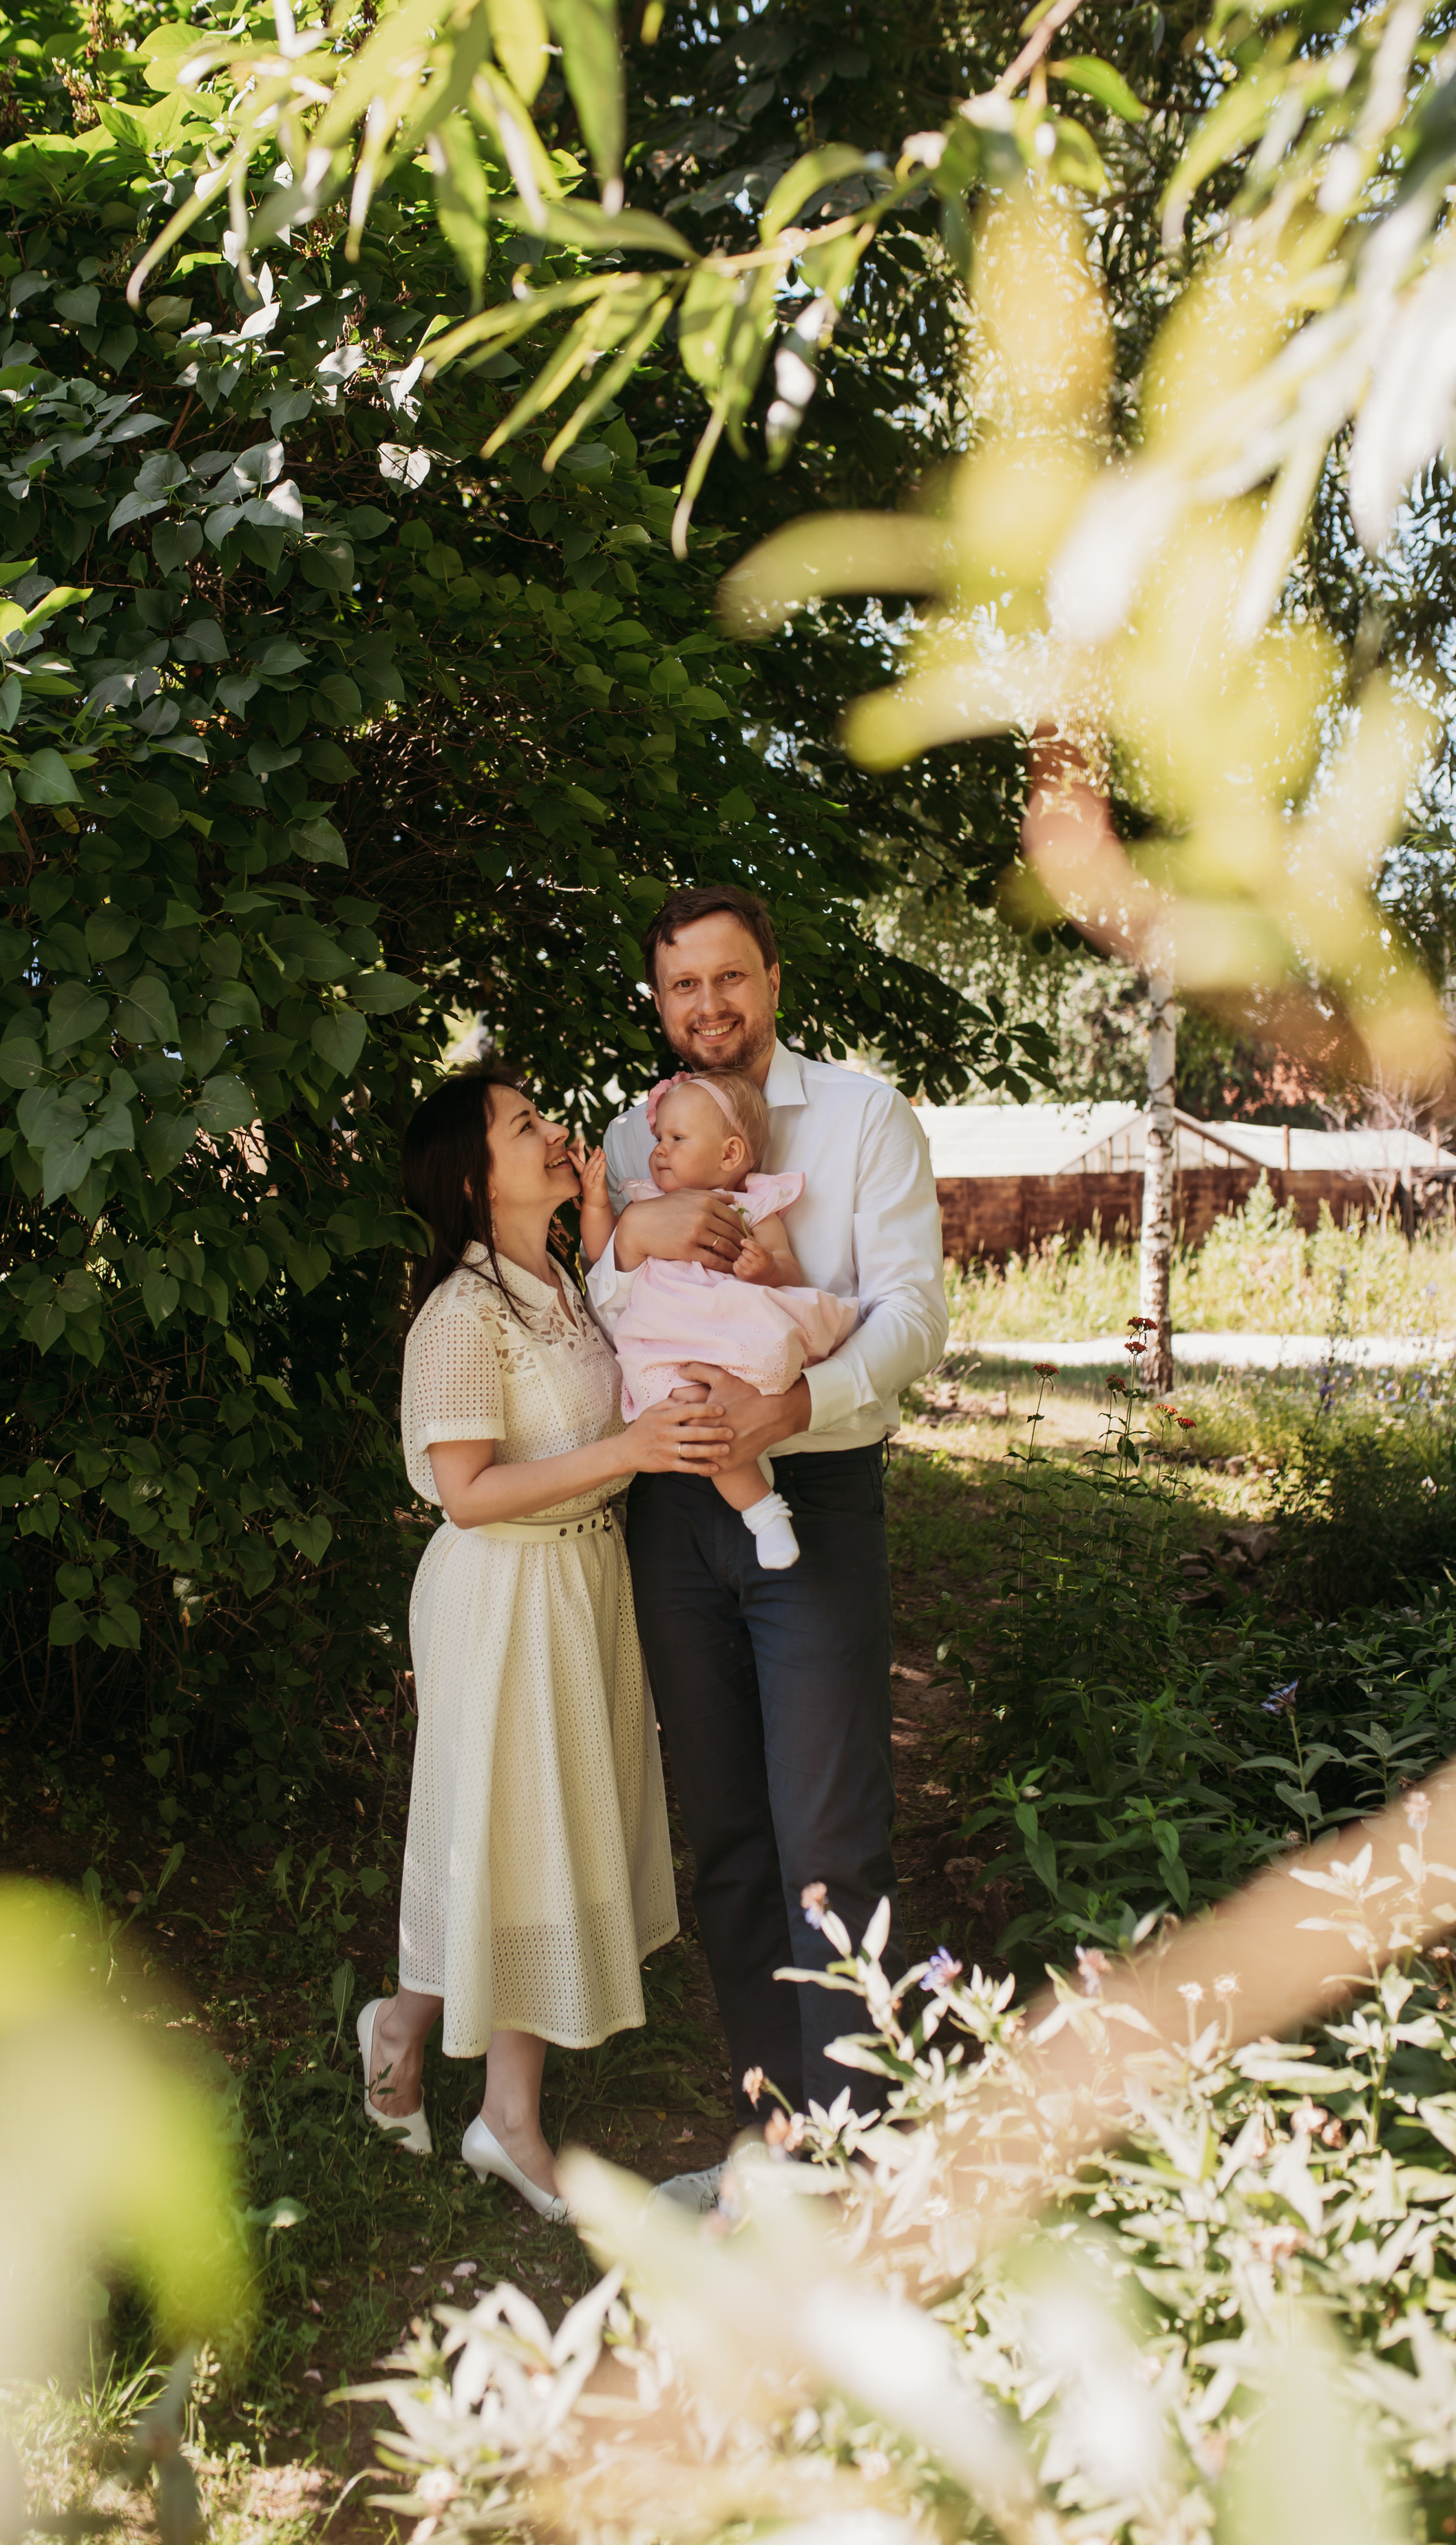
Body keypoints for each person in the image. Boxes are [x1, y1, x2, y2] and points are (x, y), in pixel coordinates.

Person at [584, 888, 949, 2195]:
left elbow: (912, 1313)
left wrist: (797, 1400)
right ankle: (775, 2132)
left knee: (831, 1832)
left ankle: (853, 2154)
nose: (708, 1009)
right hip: (672, 1508)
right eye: (683, 987)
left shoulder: (861, 1118)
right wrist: (628, 1231)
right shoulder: (637, 1136)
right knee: (728, 1829)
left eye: (729, 980)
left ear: (774, 982)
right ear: (662, 998)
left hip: (818, 1496)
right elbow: (595, 1301)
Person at [357, 1067, 733, 2221]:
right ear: (474, 1177)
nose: (555, 1131)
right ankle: (507, 2119)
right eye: (526, 1125)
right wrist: (628, 1450)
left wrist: (590, 1220)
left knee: (533, 1825)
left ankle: (403, 2024)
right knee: (516, 1831)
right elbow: (465, 1492)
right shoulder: (460, 1311)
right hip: (504, 1592)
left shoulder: (557, 1279)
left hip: (579, 1579)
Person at [578, 1067, 856, 1572]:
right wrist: (598, 1204)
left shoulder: (752, 1207)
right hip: (668, 1344)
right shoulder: (646, 1202)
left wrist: (767, 1268)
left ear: (730, 1154)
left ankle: (759, 1479)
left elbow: (787, 1266)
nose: (659, 1149)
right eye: (659, 1137)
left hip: (731, 1332)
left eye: (677, 1138)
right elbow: (602, 1255)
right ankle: (762, 1510)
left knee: (743, 1387)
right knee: (695, 1417)